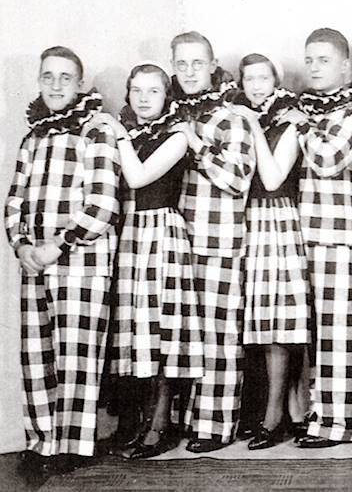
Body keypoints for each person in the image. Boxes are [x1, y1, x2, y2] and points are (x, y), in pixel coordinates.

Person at [5, 46, 120, 475]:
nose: (55, 85)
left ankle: (73, 444)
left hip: (80, 260)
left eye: (65, 78)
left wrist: (59, 244)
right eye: (48, 77)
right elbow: (14, 202)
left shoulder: (96, 131)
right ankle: (41, 441)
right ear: (39, 81)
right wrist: (22, 246)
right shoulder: (33, 138)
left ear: (79, 83)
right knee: (37, 354)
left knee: (76, 354)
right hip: (35, 262)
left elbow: (102, 204)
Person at [90, 62, 205, 459]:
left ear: (166, 96)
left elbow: (138, 177)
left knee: (161, 331)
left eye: (153, 91)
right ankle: (134, 422)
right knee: (134, 332)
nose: (143, 98)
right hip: (129, 235)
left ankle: (160, 424)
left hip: (160, 234)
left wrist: (118, 133)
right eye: (136, 90)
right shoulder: (132, 134)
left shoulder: (178, 135)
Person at [169, 31, 256, 453]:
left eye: (197, 64)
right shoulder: (172, 112)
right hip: (178, 239)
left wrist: (195, 144)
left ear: (212, 65)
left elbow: (237, 179)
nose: (189, 72)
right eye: (181, 64)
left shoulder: (229, 118)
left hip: (217, 240)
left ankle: (216, 426)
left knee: (218, 337)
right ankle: (185, 421)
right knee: (185, 336)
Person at [229, 53, 313, 450]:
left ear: (276, 82)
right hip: (246, 222)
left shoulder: (291, 122)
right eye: (249, 80)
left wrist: (251, 125)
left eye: (263, 78)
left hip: (278, 221)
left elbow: (274, 177)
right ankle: (266, 411)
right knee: (257, 326)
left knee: (278, 325)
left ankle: (277, 415)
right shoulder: (241, 119)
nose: (256, 86)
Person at [294, 28, 352, 448]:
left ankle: (340, 424)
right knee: (317, 334)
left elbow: (326, 159)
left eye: (323, 60)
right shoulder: (312, 109)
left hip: (339, 236)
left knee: (337, 333)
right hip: (307, 232)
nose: (314, 68)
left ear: (345, 65)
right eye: (309, 60)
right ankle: (317, 415)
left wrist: (301, 125)